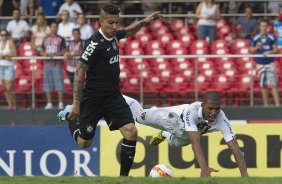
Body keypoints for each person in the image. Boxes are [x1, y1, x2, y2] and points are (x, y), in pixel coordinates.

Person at [57, 4, 160, 176]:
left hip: (113, 96)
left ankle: (123, 179)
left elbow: (127, 31)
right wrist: (76, 103)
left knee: (131, 131)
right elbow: (80, 70)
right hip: (93, 99)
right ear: (100, 22)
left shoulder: (114, 36)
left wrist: (143, 21)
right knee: (84, 143)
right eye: (111, 23)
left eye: (117, 22)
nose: (114, 27)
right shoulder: (94, 43)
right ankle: (70, 116)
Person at [124, 92, 248, 177]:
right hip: (170, 117)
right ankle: (121, 97)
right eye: (210, 108)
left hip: (185, 133)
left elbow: (234, 147)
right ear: (202, 105)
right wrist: (204, 168)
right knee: (139, 116)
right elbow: (195, 142)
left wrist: (245, 177)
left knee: (174, 143)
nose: (214, 112)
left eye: (217, 108)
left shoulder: (221, 118)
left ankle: (165, 134)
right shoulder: (192, 111)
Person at [250, 20, 280, 107]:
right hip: (260, 63)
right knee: (263, 84)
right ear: (260, 27)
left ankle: (277, 105)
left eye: (265, 26)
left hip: (270, 63)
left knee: (273, 84)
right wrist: (257, 47)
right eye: (262, 26)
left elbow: (276, 50)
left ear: (268, 27)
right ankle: (266, 105)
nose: (263, 28)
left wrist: (270, 52)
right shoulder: (255, 38)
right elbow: (251, 50)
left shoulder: (272, 37)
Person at [40, 22, 66, 109]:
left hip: (56, 65)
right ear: (50, 28)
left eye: (55, 27)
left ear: (57, 28)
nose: (54, 28)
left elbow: (64, 50)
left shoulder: (61, 39)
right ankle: (49, 103)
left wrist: (56, 54)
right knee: (47, 84)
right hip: (47, 65)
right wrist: (44, 54)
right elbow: (41, 49)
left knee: (59, 84)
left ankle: (61, 103)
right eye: (52, 27)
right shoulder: (45, 38)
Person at [0, 29, 17, 109]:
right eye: (2, 35)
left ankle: (14, 103)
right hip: (1, 67)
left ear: (7, 35)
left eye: (5, 35)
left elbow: (14, 53)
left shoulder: (10, 42)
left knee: (9, 87)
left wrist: (5, 56)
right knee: (4, 88)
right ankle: (10, 105)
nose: (3, 36)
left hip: (9, 66)